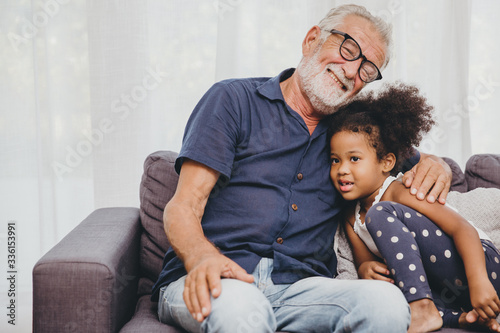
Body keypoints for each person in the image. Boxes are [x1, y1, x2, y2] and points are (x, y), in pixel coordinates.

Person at [152, 4, 453, 332]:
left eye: (367, 70)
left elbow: (415, 159)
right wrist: (201, 257)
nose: (352, 71)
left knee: (386, 303)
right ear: (311, 40)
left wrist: (438, 165)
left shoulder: (354, 135)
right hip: (218, 276)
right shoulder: (233, 99)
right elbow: (183, 205)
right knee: (241, 308)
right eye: (348, 49)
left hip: (302, 290)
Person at [328, 82, 500, 332]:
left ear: (386, 162)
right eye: (335, 160)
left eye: (354, 159)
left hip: (482, 265)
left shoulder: (398, 190)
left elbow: (462, 229)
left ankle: (422, 308)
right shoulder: (350, 217)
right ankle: (458, 318)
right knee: (392, 292)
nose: (342, 169)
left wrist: (479, 281)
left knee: (380, 213)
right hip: (447, 290)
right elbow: (363, 263)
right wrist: (366, 269)